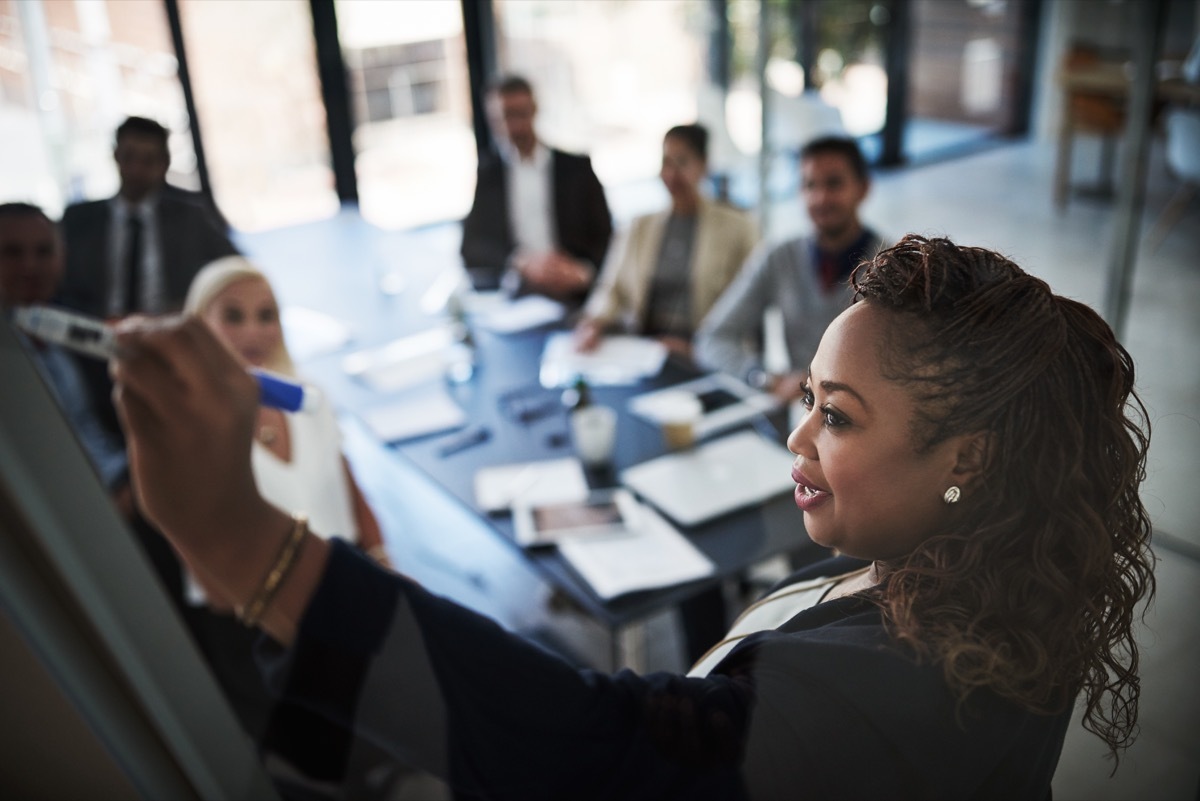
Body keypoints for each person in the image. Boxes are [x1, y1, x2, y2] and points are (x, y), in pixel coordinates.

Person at [111, 234, 1155, 799]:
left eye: (835, 417)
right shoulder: (1002, 582)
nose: (797, 441)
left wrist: (244, 541)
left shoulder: (900, 701)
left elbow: (593, 752)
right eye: (805, 402)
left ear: (963, 457)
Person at [694, 135, 884, 403]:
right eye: (809, 185)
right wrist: (761, 377)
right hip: (799, 415)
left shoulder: (893, 267)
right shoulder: (779, 257)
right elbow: (713, 338)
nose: (820, 198)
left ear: (863, 188)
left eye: (834, 184)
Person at [574, 123, 758, 362]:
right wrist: (593, 324)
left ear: (703, 166)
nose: (671, 174)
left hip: (703, 353)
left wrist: (696, 350)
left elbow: (747, 308)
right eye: (665, 163)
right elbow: (612, 288)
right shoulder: (639, 226)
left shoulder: (738, 227)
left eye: (681, 162)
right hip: (645, 349)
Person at [0, 202, 129, 511]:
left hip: (128, 483)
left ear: (62, 257)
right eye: (12, 253)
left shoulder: (83, 325)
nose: (30, 266)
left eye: (43, 252)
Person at [58, 115, 238, 320]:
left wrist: (185, 311)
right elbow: (63, 290)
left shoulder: (191, 217)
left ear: (164, 163)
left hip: (171, 333)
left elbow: (235, 270)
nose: (136, 170)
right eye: (129, 157)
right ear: (116, 156)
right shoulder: (80, 220)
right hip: (96, 335)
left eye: (148, 160)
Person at [459, 75, 613, 305]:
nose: (514, 127)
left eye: (520, 114)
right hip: (519, 294)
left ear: (534, 110)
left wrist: (584, 271)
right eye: (505, 117)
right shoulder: (489, 173)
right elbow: (472, 247)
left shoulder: (576, 168)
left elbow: (607, 237)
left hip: (574, 291)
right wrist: (521, 263)